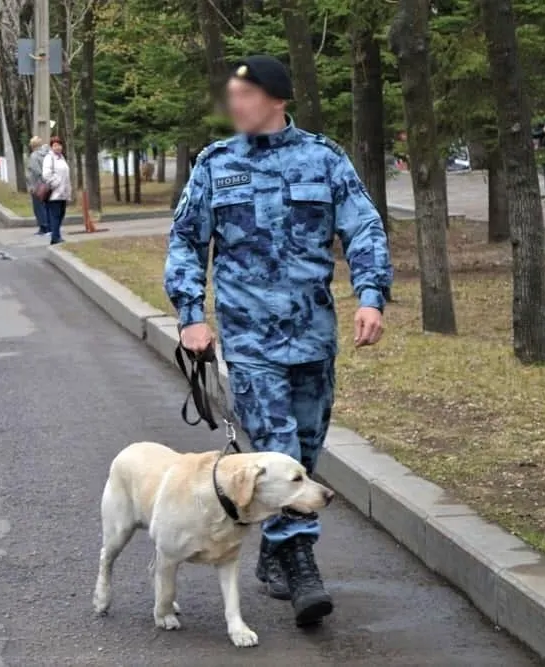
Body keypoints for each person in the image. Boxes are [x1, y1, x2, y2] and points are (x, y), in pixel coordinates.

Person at [164, 55, 392, 628]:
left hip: (314, 336)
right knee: (278, 439)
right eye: (231, 95)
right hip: (249, 339)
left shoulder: (324, 158)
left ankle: (272, 552)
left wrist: (370, 295)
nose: (234, 104)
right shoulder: (216, 165)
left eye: (245, 94)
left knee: (305, 451)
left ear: (278, 99)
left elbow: (362, 226)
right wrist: (191, 313)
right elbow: (186, 241)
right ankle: (299, 561)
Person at [41, 136, 71, 245]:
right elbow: (46, 174)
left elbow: (66, 176)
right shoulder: (49, 158)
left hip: (63, 193)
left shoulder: (61, 157)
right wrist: (56, 183)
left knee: (61, 215)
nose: (57, 147)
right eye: (55, 145)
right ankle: (55, 237)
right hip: (54, 193)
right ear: (51, 147)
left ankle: (56, 236)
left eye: (59, 145)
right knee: (55, 215)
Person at [26, 136, 51, 236]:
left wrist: (33, 185)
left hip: (37, 185)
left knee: (38, 207)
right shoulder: (47, 154)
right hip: (48, 183)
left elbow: (35, 171)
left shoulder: (34, 156)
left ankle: (44, 228)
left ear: (33, 146)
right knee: (46, 206)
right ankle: (49, 227)